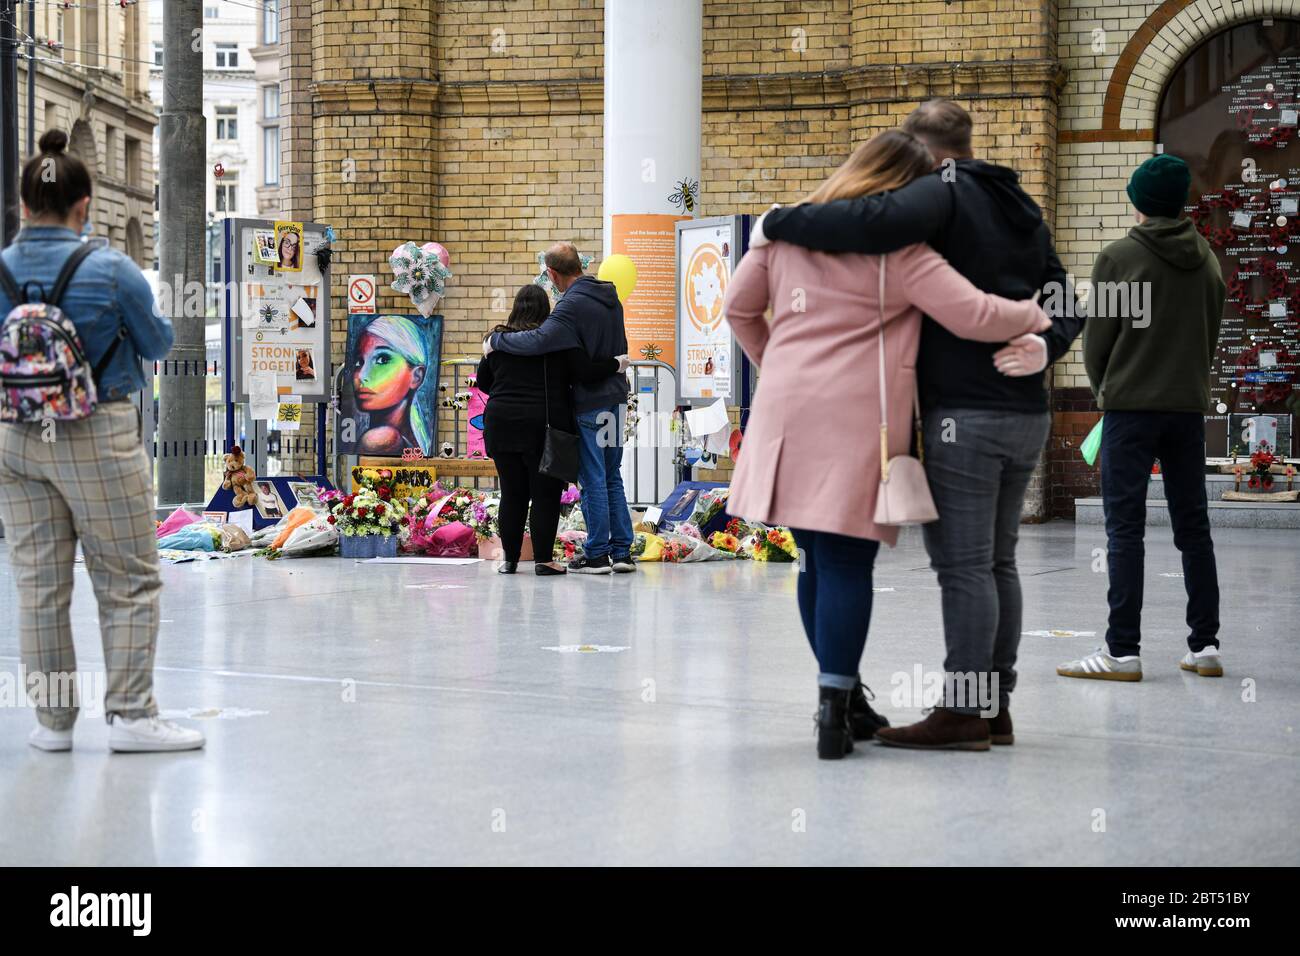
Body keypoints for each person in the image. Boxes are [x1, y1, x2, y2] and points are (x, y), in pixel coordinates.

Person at [752, 99, 1085, 751]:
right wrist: (1048, 345)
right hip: (1025, 412)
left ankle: (964, 712)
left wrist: (776, 219)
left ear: (927, 158)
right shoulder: (1019, 205)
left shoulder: (941, 194)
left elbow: (868, 219)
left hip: (963, 410)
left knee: (964, 568)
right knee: (999, 563)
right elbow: (1062, 292)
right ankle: (995, 706)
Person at [0, 130, 203, 753]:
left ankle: (53, 724)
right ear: (84, 204)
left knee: (39, 583)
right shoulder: (110, 269)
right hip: (97, 432)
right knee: (128, 578)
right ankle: (133, 717)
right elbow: (159, 345)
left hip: (15, 435)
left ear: (25, 205)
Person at [1058, 155, 1225, 682]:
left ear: (1137, 200)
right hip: (1185, 411)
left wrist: (1109, 390)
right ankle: (1205, 647)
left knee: (1124, 529)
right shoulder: (1209, 261)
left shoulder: (1119, 257)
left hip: (1130, 409)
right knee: (1193, 528)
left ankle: (1122, 652)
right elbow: (1210, 333)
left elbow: (1096, 341)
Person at [483, 243, 634, 575]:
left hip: (590, 402)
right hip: (616, 398)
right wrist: (615, 365)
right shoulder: (612, 299)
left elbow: (538, 340)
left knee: (592, 476)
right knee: (612, 475)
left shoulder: (571, 305)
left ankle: (596, 554)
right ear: (580, 264)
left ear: (551, 274)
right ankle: (622, 551)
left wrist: (496, 342)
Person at [351, 315, 432, 456]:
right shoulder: (416, 444)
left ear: (416, 376)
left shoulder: (382, 439)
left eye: (382, 359)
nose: (362, 375)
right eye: (359, 362)